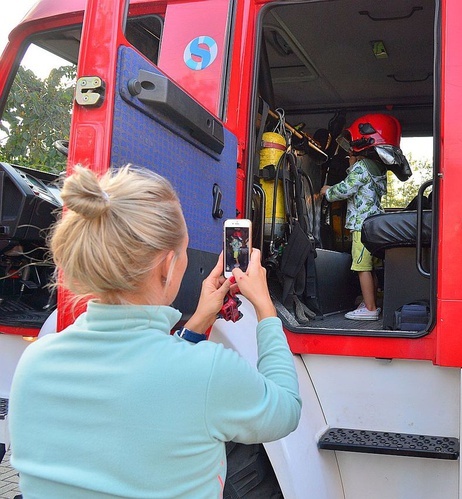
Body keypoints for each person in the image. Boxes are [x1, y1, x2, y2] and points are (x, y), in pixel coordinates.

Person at [9, 164, 302, 497]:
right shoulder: (207, 372)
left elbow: (148, 377)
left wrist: (198, 324)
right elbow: (285, 410)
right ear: (168, 265)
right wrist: (265, 309)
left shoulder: (34, 362)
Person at [320, 114, 402, 321]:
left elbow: (345, 189)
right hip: (374, 225)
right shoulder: (379, 168)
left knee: (361, 267)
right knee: (371, 266)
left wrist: (327, 191)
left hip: (360, 226)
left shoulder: (360, 168)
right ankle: (371, 301)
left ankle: (370, 308)